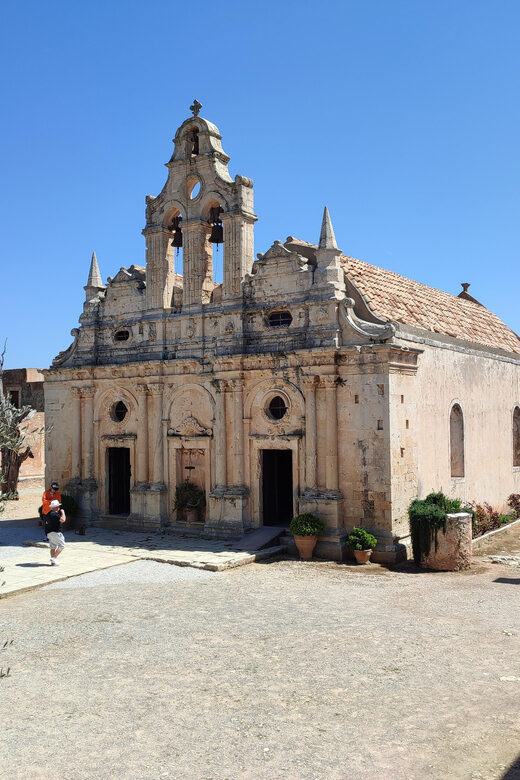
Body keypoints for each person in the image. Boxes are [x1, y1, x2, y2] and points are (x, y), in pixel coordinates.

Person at [45, 499, 66, 566]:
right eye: (58, 506)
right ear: (56, 507)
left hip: (49, 533)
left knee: (53, 547)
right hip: (56, 532)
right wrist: (63, 512)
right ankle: (54, 558)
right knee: (62, 545)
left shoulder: (48, 514)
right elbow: (63, 520)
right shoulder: (55, 514)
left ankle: (53, 562)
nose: (59, 508)